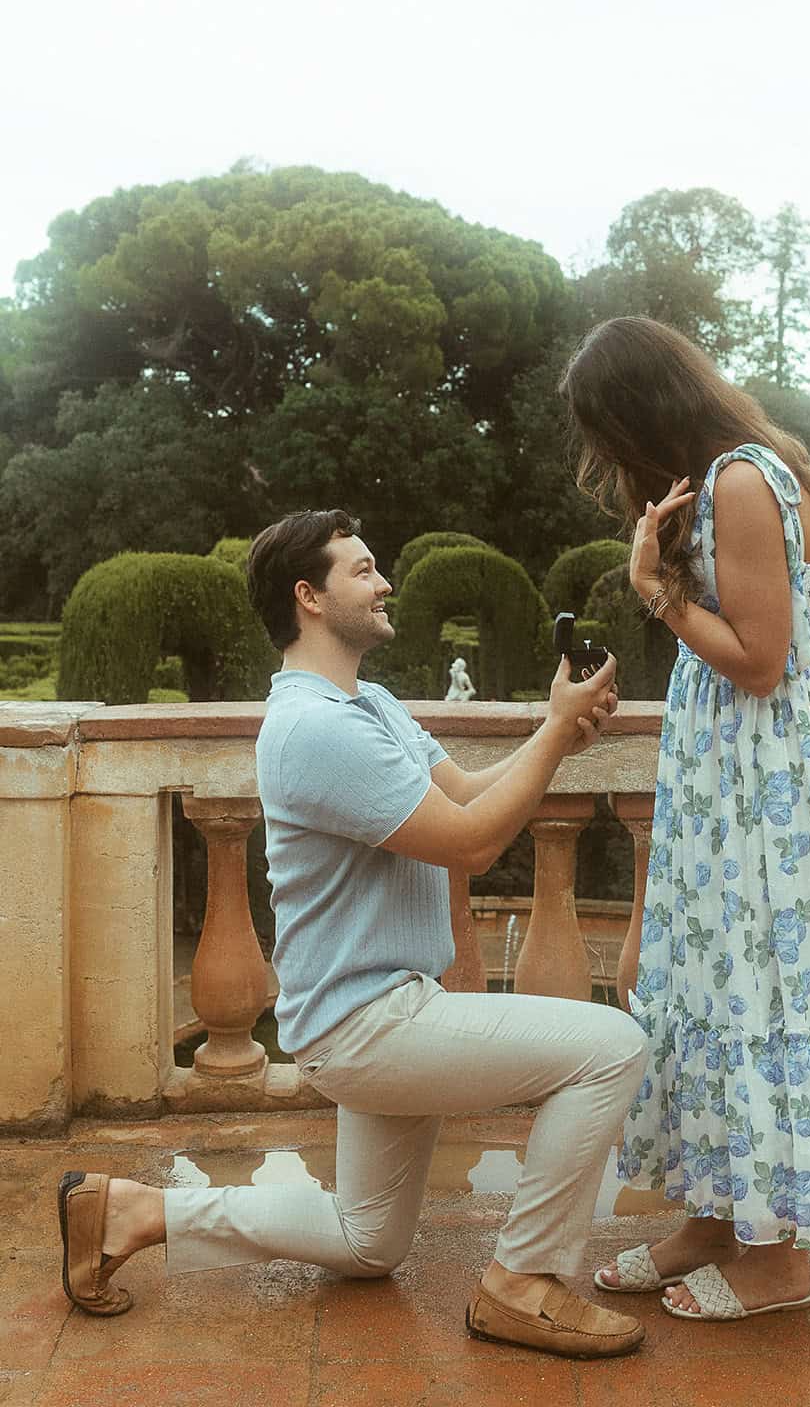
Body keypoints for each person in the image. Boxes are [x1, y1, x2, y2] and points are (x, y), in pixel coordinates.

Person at [57, 509, 650, 1360]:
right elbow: (474, 844)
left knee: (368, 1243)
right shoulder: (315, 730)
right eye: (363, 570)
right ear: (309, 596)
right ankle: (524, 1282)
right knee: (614, 1045)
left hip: (384, 1008)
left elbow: (462, 794)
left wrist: (555, 738)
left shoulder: (363, 703)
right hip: (370, 1025)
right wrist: (555, 732)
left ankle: (128, 1210)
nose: (384, 584)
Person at [559, 318, 810, 1322]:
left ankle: (777, 1259)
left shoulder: (742, 484)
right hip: (730, 780)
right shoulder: (737, 475)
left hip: (758, 786)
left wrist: (657, 592)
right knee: (711, 980)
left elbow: (760, 660)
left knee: (760, 988)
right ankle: (716, 1219)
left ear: (637, 413)